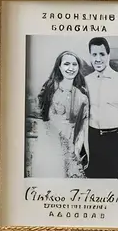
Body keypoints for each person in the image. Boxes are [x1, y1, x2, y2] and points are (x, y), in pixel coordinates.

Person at [31, 50, 90, 178]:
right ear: (59, 66)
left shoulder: (82, 96)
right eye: (66, 64)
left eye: (74, 64)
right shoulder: (49, 89)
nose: (71, 68)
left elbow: (82, 127)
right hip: (49, 145)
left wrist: (77, 149)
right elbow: (43, 119)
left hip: (71, 147)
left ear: (78, 67)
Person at [84, 37, 118, 179]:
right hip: (92, 141)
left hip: (116, 140)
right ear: (90, 56)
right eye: (94, 55)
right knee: (94, 182)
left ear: (108, 55)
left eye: (102, 54)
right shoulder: (86, 81)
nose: (98, 59)